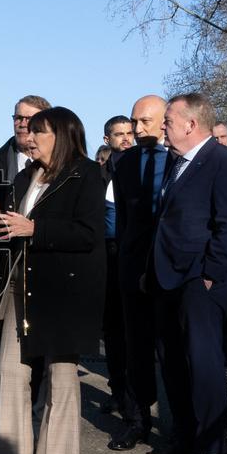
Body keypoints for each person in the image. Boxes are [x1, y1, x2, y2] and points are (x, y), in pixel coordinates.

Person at [0, 106, 105, 454]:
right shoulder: (23, 176)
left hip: (63, 294)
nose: (28, 138)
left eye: (38, 132)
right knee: (10, 377)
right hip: (20, 288)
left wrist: (36, 228)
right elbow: (17, 230)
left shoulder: (87, 173)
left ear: (61, 135)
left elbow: (88, 233)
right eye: (28, 132)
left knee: (60, 382)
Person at [152, 92, 227, 454]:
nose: (163, 126)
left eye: (169, 120)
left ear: (191, 124)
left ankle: (211, 448)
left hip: (200, 280)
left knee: (203, 363)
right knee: (173, 360)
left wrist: (210, 274)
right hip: (167, 277)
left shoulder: (223, 161)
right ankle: (185, 437)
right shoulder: (176, 164)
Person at [107, 96, 172, 452]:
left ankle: (175, 424)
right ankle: (136, 419)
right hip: (132, 265)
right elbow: (125, 220)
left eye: (145, 121)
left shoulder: (178, 161)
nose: (137, 128)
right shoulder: (126, 163)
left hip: (168, 267)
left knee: (172, 348)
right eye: (134, 121)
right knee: (135, 346)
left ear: (165, 121)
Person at [0, 95, 52, 404]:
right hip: (3, 270)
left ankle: (32, 413)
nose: (22, 124)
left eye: (29, 119)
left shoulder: (64, 168)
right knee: (2, 350)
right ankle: (5, 416)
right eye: (17, 118)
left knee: (39, 354)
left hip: (45, 270)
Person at [99, 114, 135, 419]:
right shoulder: (99, 175)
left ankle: (134, 398)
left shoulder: (143, 169)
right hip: (108, 258)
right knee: (112, 330)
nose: (125, 138)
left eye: (129, 133)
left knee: (132, 331)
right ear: (107, 138)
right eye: (118, 134)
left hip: (135, 257)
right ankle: (117, 390)